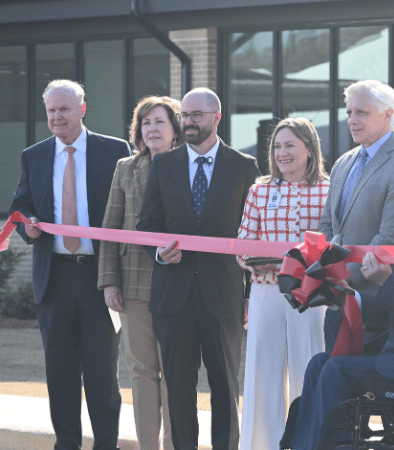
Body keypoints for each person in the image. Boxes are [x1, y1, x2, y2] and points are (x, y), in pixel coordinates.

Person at [9, 79, 130, 450]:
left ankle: (105, 445)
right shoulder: (34, 155)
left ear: (82, 109)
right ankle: (67, 444)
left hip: (101, 278)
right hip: (54, 279)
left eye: (64, 109)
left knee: (101, 374)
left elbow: (128, 209)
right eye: (51, 111)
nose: (57, 117)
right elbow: (21, 205)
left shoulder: (114, 151)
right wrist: (27, 225)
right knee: (60, 374)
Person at [137, 87, 260, 450]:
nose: (188, 122)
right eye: (185, 116)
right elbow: (147, 226)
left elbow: (253, 234)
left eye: (196, 116)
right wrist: (159, 252)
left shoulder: (244, 167)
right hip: (172, 298)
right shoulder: (163, 165)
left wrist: (250, 295)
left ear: (216, 117)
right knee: (178, 389)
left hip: (222, 299)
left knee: (225, 387)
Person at [288, 174, 394, 450]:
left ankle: (318, 445)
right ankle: (306, 444)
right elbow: (393, 311)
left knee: (335, 367)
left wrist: (386, 282)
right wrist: (344, 295)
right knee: (319, 364)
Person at [235, 117, 329, 450]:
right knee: (263, 371)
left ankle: (311, 441)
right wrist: (274, 260)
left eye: (290, 145)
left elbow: (332, 246)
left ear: (309, 148)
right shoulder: (259, 190)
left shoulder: (328, 189)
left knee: (310, 367)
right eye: (277, 146)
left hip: (311, 294)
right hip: (265, 290)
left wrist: (297, 263)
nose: (282, 153)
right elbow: (242, 248)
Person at [96, 95, 184, 450]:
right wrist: (108, 281)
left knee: (174, 373)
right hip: (132, 285)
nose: (152, 129)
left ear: (175, 127)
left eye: (159, 122)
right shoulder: (125, 168)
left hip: (178, 284)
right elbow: (109, 226)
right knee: (142, 372)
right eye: (146, 123)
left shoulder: (189, 167)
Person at [319, 79, 394, 350]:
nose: (352, 120)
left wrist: (344, 276)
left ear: (388, 115)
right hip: (338, 301)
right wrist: (332, 276)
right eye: (349, 113)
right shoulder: (343, 163)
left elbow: (392, 236)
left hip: (376, 305)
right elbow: (327, 225)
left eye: (362, 113)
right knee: (331, 380)